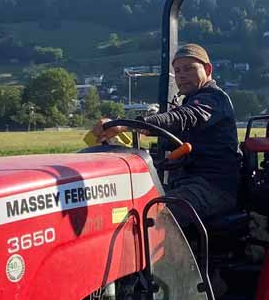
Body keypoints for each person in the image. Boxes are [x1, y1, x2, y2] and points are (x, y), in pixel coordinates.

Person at [95, 43, 241, 226]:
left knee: (155, 216)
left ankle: (167, 255)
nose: (181, 75)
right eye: (178, 70)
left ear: (208, 69)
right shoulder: (191, 102)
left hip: (213, 187)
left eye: (188, 68)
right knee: (128, 206)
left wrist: (128, 125)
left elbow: (182, 118)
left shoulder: (213, 99)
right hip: (186, 182)